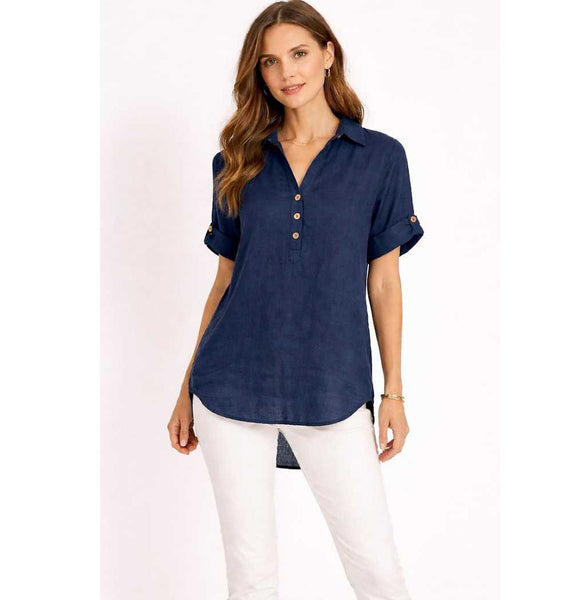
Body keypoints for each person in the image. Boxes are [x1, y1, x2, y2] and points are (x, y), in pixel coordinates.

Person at [167, 1, 424, 598]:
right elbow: (225, 281)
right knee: (251, 575)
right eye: (270, 61)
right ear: (257, 73)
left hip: (333, 386)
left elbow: (384, 281)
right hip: (230, 384)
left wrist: (393, 391)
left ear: (329, 54)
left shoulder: (380, 158)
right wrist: (185, 387)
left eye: (300, 53)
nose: (287, 72)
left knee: (378, 571)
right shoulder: (237, 160)